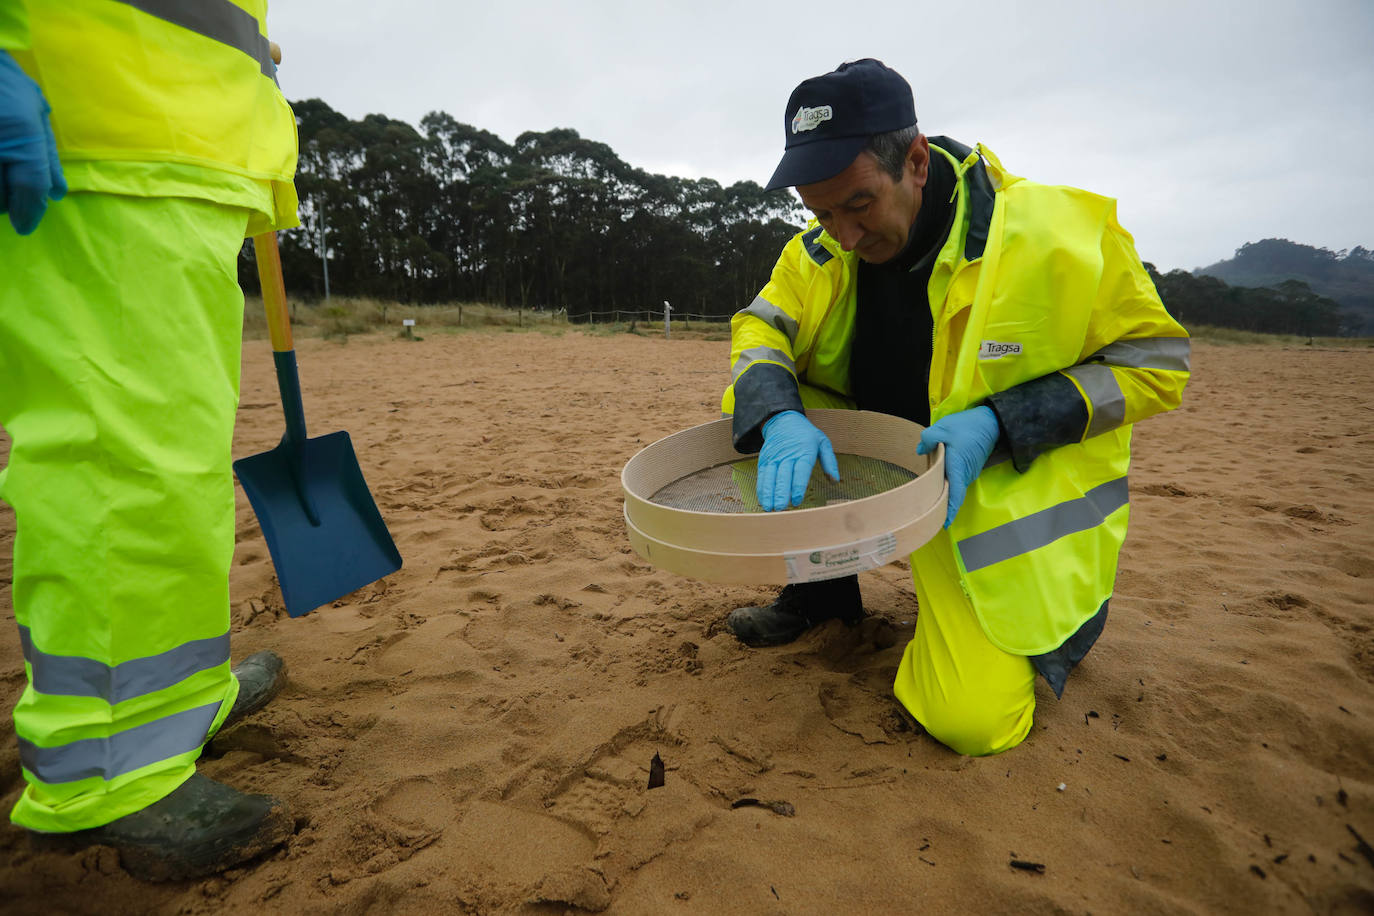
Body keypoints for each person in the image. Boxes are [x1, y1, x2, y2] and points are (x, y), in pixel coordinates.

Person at [721, 59, 1190, 757]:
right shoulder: (819, 251)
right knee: (757, 402)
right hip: (890, 462)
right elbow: (761, 332)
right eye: (819, 212)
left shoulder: (1048, 234)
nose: (841, 234)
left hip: (984, 490)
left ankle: (1061, 626)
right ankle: (823, 596)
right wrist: (780, 416)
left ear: (914, 161)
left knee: (969, 723)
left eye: (858, 205)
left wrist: (1001, 423)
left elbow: (1156, 363)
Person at [1, 0, 299, 880]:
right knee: (117, 458)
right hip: (89, 139)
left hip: (179, 155)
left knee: (177, 462)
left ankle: (173, 704)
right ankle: (106, 769)